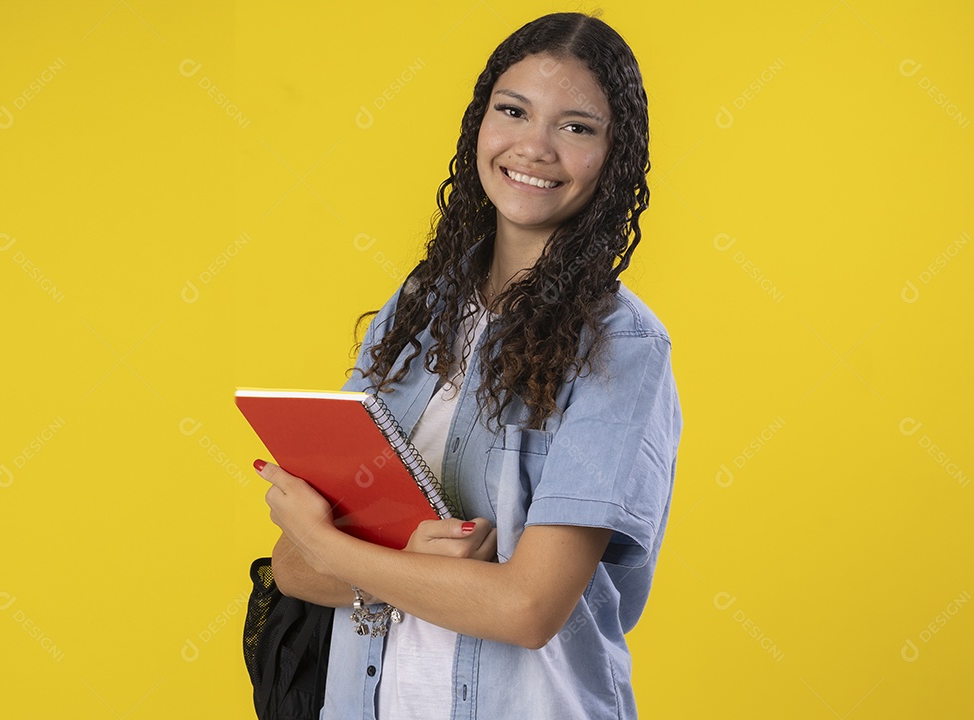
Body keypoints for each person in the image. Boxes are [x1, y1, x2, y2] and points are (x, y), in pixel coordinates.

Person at [255, 11, 682, 719]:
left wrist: (342, 550)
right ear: (478, 126)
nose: (534, 147)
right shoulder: (415, 310)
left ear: (615, 158)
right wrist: (351, 556)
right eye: (512, 111)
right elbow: (293, 568)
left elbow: (527, 608)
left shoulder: (622, 346)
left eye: (576, 127)